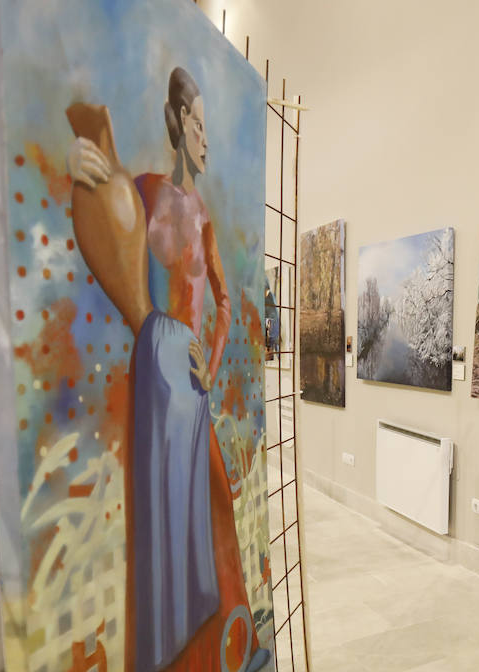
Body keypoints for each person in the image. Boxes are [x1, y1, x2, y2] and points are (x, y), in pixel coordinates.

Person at [69, 66, 271, 672]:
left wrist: (207, 368)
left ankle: (226, 652)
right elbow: (112, 229)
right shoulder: (148, 187)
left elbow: (227, 300)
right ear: (182, 123)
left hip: (187, 377)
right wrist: (81, 170)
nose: (207, 140)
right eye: (201, 126)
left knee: (212, 505)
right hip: (154, 366)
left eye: (210, 128)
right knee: (163, 526)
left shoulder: (203, 215)